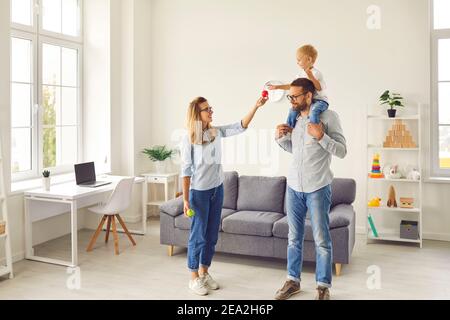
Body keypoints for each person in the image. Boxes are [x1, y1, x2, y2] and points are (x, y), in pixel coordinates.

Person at [180, 95, 267, 296]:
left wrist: (255, 106)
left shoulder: (216, 132)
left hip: (217, 190)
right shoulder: (188, 138)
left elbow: (240, 126)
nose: (211, 111)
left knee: (211, 235)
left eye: (210, 107)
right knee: (198, 235)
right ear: (197, 114)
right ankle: (193, 277)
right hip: (199, 194)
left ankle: (204, 272)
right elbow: (185, 172)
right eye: (206, 109)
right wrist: (185, 200)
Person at [274, 78, 346, 300]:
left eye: (295, 96)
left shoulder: (329, 117)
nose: (291, 101)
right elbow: (294, 150)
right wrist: (279, 138)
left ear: (308, 95)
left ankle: (323, 287)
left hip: (318, 187)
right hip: (294, 186)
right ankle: (292, 281)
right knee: (293, 238)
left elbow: (342, 151)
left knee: (321, 240)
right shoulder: (294, 118)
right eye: (290, 96)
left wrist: (321, 136)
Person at [269, 44, 328, 138]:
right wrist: (278, 87)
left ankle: (314, 132)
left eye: (299, 60)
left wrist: (311, 76)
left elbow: (319, 88)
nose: (297, 62)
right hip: (308, 102)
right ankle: (289, 130)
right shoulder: (300, 74)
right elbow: (293, 86)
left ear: (309, 59)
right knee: (292, 110)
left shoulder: (316, 73)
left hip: (319, 101)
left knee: (314, 111)